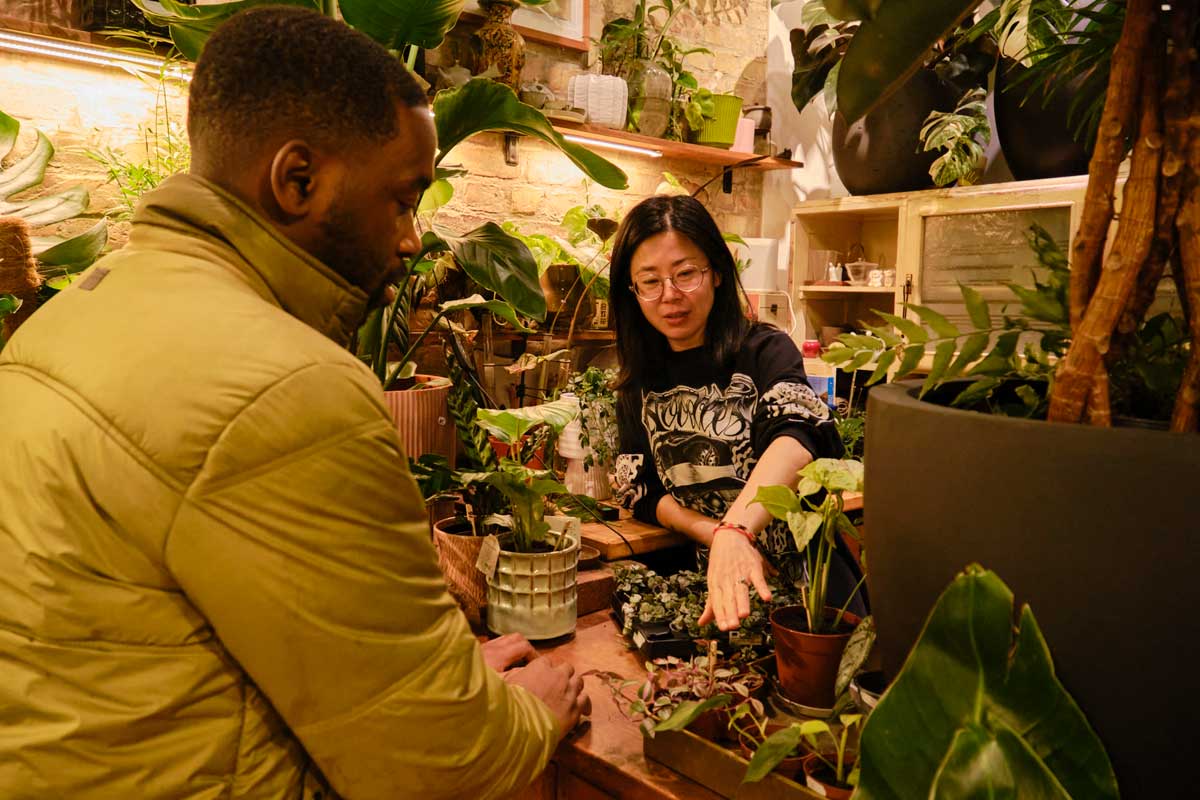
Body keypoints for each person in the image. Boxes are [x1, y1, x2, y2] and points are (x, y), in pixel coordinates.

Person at [0, 8, 586, 800]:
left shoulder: (71, 317)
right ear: (297, 179)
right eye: (404, 198)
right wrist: (524, 721)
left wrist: (428, 682)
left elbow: (167, 640)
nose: (412, 238)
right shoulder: (292, 387)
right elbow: (431, 766)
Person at [609, 195, 862, 632]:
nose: (670, 296)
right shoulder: (638, 383)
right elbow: (641, 488)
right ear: (632, 293)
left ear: (718, 273)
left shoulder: (765, 350)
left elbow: (796, 440)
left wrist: (737, 530)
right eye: (649, 282)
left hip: (812, 597)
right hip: (722, 589)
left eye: (686, 274)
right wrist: (714, 533)